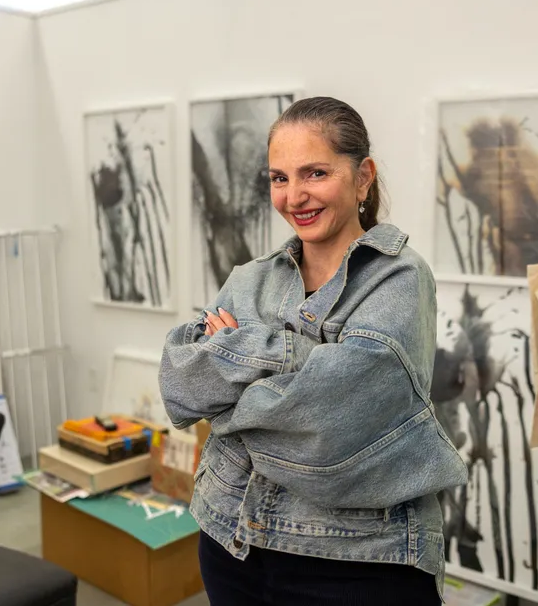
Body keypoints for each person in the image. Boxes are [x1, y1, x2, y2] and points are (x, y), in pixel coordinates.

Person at [160, 96, 467, 605]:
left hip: (355, 560)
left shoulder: (399, 279)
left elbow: (330, 426)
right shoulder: (250, 277)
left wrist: (237, 369)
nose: (294, 196)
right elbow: (181, 381)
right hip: (228, 534)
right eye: (279, 178)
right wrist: (306, 363)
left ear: (362, 177)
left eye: (315, 173)